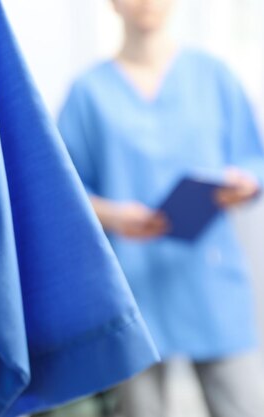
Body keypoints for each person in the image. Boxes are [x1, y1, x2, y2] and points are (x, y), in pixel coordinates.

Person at [58, 0, 264, 416]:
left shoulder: (213, 77)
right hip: (132, 286)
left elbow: (252, 158)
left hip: (210, 278)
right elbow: (63, 192)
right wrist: (114, 214)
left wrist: (243, 182)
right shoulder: (88, 93)